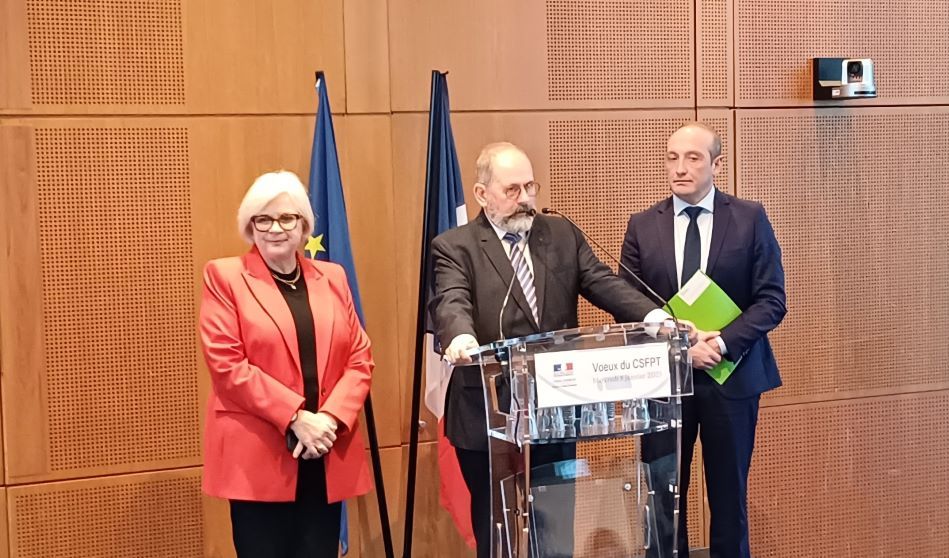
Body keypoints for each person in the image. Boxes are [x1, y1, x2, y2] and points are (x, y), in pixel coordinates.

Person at [429, 142, 680, 557]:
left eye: (530, 186)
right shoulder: (456, 246)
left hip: (555, 408)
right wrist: (460, 336)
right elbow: (452, 300)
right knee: (497, 528)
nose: (526, 199)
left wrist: (655, 317)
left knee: (556, 520)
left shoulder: (559, 233)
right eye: (512, 189)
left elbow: (602, 282)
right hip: (486, 414)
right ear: (481, 194)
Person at [620, 123, 787, 558]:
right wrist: (681, 349)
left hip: (730, 380)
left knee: (729, 501)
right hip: (664, 384)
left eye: (692, 158)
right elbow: (626, 306)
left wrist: (722, 344)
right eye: (672, 157)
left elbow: (772, 300)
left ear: (716, 163)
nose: (680, 168)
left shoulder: (750, 218)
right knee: (662, 499)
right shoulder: (642, 226)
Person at [199, 170, 374, 558]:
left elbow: (360, 357)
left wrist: (328, 420)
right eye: (263, 218)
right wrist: (297, 418)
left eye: (286, 218)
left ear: (303, 225)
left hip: (324, 453)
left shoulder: (332, 277)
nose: (275, 228)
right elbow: (228, 366)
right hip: (260, 459)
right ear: (250, 225)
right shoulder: (224, 277)